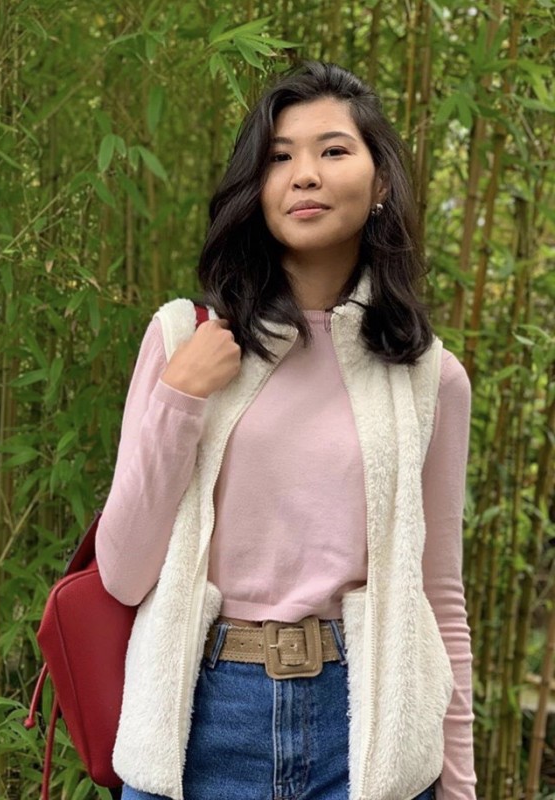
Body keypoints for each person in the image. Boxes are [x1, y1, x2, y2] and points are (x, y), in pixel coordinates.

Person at [96, 60, 476, 800]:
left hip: (365, 729)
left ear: (380, 182)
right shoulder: (184, 341)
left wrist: (459, 785)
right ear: (256, 187)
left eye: (333, 150)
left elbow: (439, 596)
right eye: (279, 157)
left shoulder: (429, 376)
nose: (305, 174)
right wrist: (179, 397)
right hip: (199, 723)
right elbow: (123, 571)